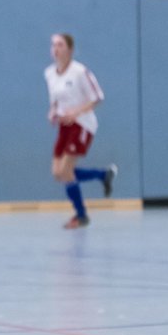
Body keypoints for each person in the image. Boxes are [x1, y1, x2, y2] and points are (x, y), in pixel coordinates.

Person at [45, 32, 117, 229]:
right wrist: (52, 111)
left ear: (69, 49)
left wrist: (75, 112)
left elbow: (97, 97)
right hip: (64, 125)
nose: (55, 48)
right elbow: (55, 100)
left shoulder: (80, 72)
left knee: (66, 171)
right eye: (53, 45)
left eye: (60, 45)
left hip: (83, 124)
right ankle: (103, 175)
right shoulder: (50, 73)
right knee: (58, 173)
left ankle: (81, 215)